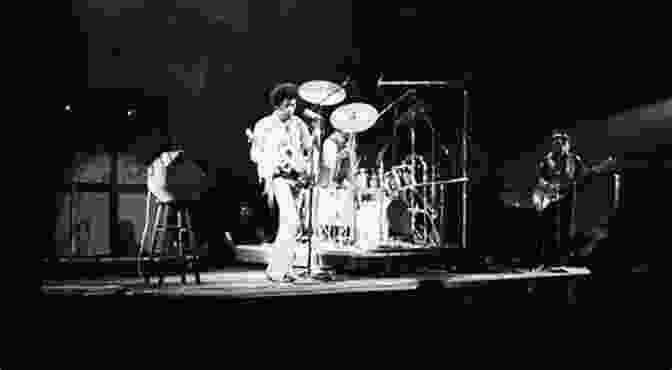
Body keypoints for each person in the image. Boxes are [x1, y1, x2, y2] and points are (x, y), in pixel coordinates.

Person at [249, 82, 314, 283]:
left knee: (291, 225)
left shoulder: (298, 124)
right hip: (278, 178)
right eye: (287, 105)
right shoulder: (264, 125)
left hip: (297, 178)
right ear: (277, 105)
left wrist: (316, 131)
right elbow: (255, 154)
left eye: (293, 105)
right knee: (291, 220)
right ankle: (279, 270)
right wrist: (272, 164)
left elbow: (309, 148)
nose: (291, 110)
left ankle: (281, 269)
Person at [532, 129, 585, 270]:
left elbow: (581, 176)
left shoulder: (574, 160)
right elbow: (540, 177)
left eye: (560, 144)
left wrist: (574, 183)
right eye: (555, 144)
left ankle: (562, 261)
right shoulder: (547, 159)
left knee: (566, 229)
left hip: (568, 196)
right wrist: (548, 187)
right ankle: (546, 260)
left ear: (566, 145)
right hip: (550, 197)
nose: (557, 147)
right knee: (548, 228)